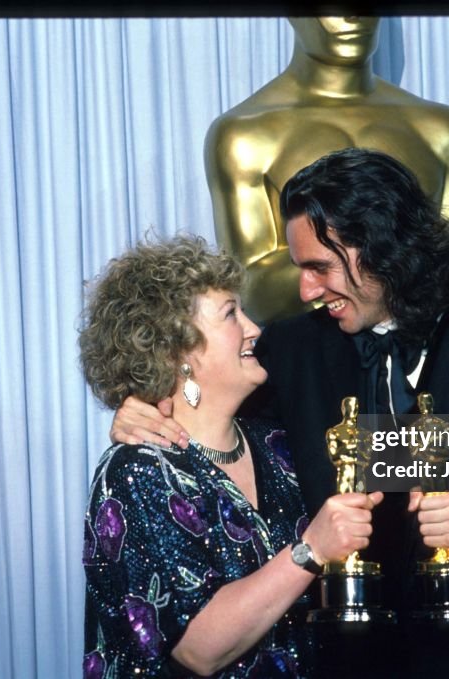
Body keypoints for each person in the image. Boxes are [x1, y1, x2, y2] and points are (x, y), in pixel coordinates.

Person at [111, 149, 449, 677]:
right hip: (333, 662)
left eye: (320, 267)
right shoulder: (290, 351)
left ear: (386, 249)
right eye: (302, 269)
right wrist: (140, 408)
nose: (306, 290)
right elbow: (206, 402)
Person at [79, 235, 382, 678]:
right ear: (175, 351)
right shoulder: (136, 472)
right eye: (230, 314)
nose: (254, 328)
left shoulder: (277, 444)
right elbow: (199, 649)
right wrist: (311, 549)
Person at [204, 16, 449, 325]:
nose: (353, 15)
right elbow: (253, 290)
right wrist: (389, 258)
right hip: (310, 357)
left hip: (423, 353)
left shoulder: (441, 129)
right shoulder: (244, 135)